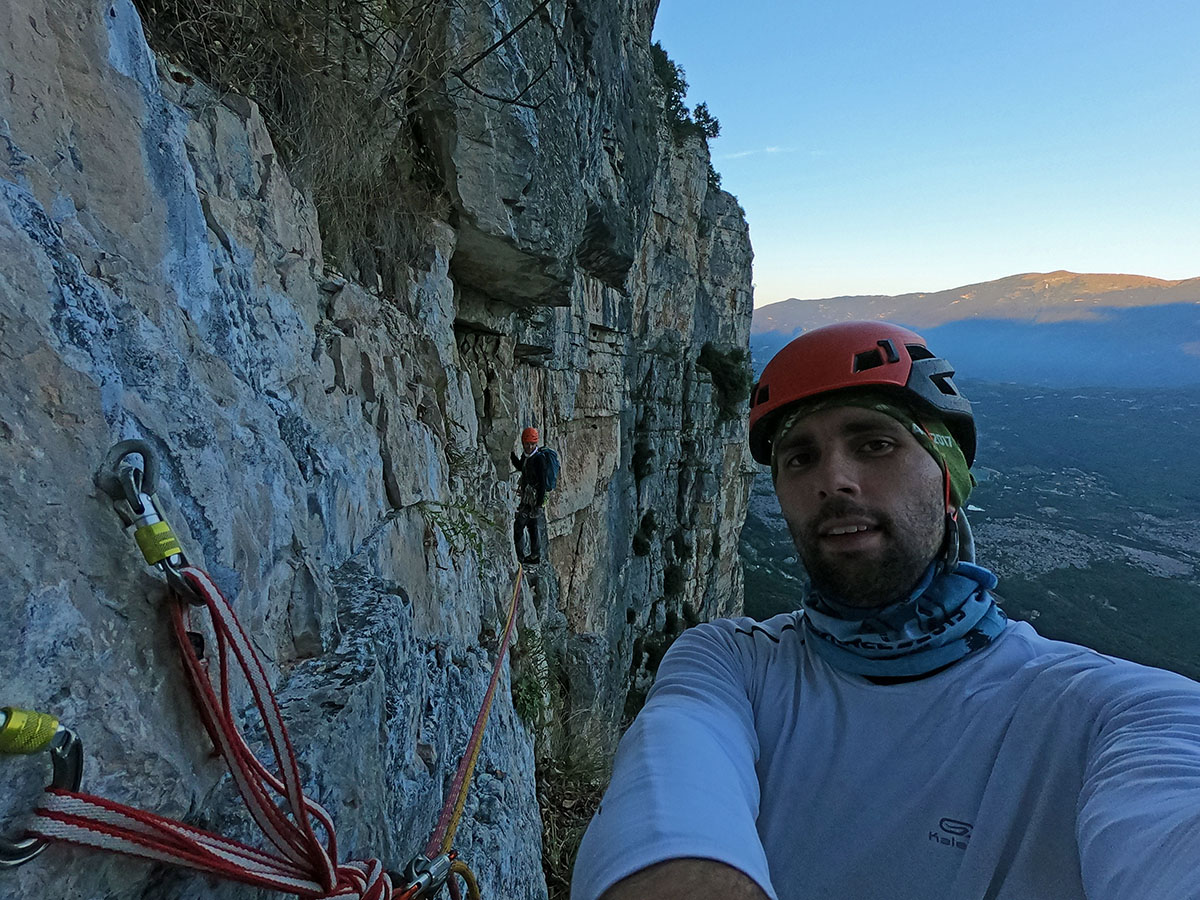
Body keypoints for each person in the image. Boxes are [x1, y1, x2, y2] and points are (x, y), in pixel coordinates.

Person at [572, 321, 1200, 900]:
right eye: (800, 458)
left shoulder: (1120, 712)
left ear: (949, 482)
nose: (834, 480)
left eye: (875, 444)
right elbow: (675, 768)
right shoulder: (733, 662)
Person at [512, 426, 549, 565]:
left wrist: (539, 505)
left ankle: (520, 557)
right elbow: (521, 467)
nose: (529, 446)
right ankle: (534, 556)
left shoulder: (540, 459)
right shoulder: (527, 457)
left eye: (532, 444)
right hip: (528, 499)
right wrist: (512, 457)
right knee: (532, 526)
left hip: (532, 501)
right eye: (527, 444)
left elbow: (543, 483)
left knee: (519, 526)